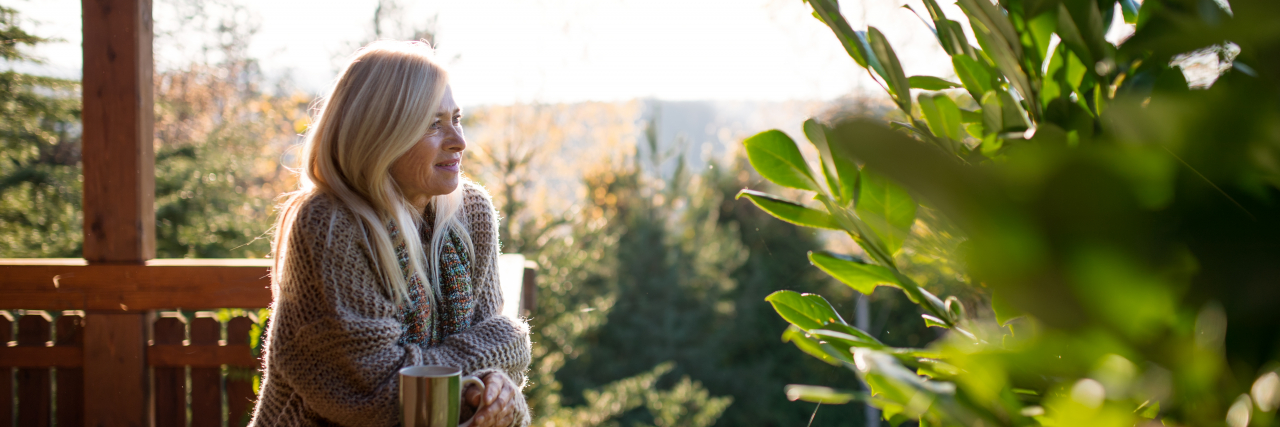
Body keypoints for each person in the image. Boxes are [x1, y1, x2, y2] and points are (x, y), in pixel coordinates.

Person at [248, 40, 531, 427]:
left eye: (457, 118)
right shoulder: (330, 225)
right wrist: (500, 350)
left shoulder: (471, 213)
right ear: (379, 135)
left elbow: (494, 368)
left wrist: (497, 391)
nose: (459, 142)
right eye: (433, 123)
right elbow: (381, 393)